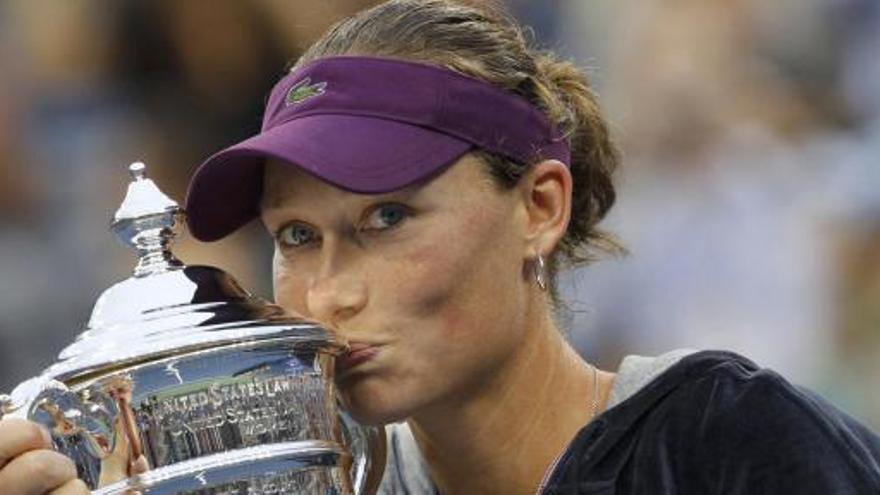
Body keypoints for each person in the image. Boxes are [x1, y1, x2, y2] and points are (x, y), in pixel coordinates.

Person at [1, 1, 879, 493]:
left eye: (387, 219)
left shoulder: (726, 439)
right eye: (297, 236)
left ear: (539, 206)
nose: (327, 296)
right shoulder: (324, 487)